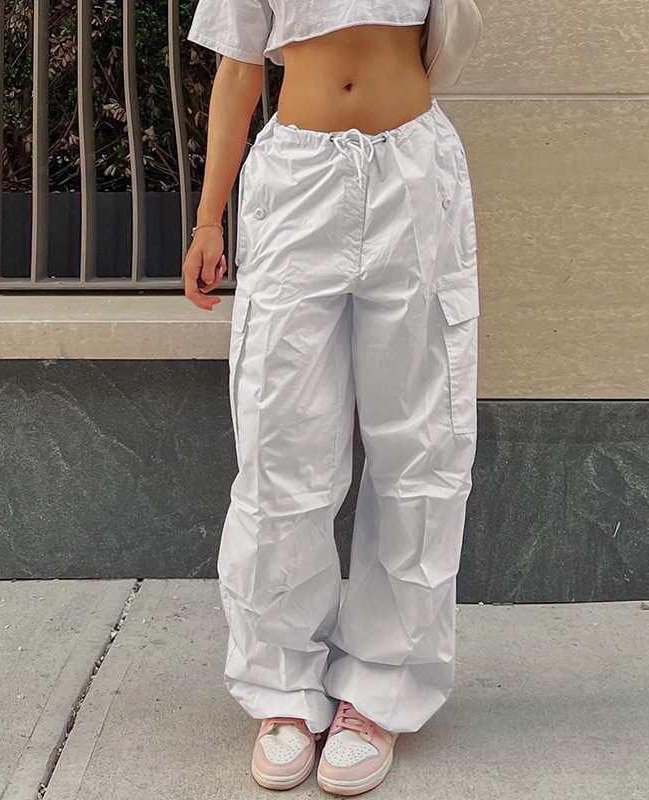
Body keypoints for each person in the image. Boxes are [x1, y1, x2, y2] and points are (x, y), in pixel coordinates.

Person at [183, 1, 480, 795]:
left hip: (412, 173)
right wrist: (208, 219)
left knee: (420, 443)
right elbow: (238, 70)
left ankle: (382, 689)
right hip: (297, 178)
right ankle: (282, 686)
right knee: (281, 440)